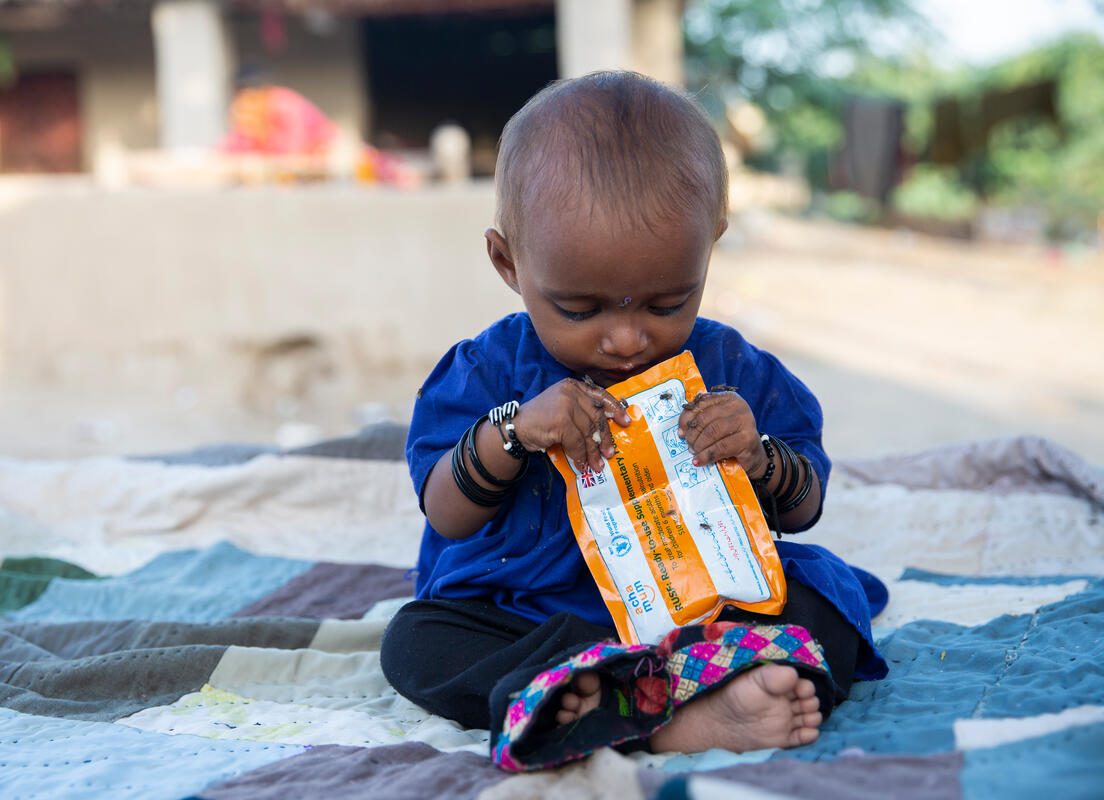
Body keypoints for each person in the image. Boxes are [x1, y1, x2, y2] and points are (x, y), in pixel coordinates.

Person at [380, 71, 887, 771]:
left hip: (703, 610)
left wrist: (759, 455)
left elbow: (804, 508)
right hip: (532, 618)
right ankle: (638, 699)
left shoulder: (730, 367)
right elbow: (446, 513)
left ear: (710, 244)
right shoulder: (487, 372)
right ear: (508, 262)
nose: (625, 339)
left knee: (826, 598)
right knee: (416, 641)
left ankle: (657, 704)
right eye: (581, 311)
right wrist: (516, 433)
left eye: (665, 302)